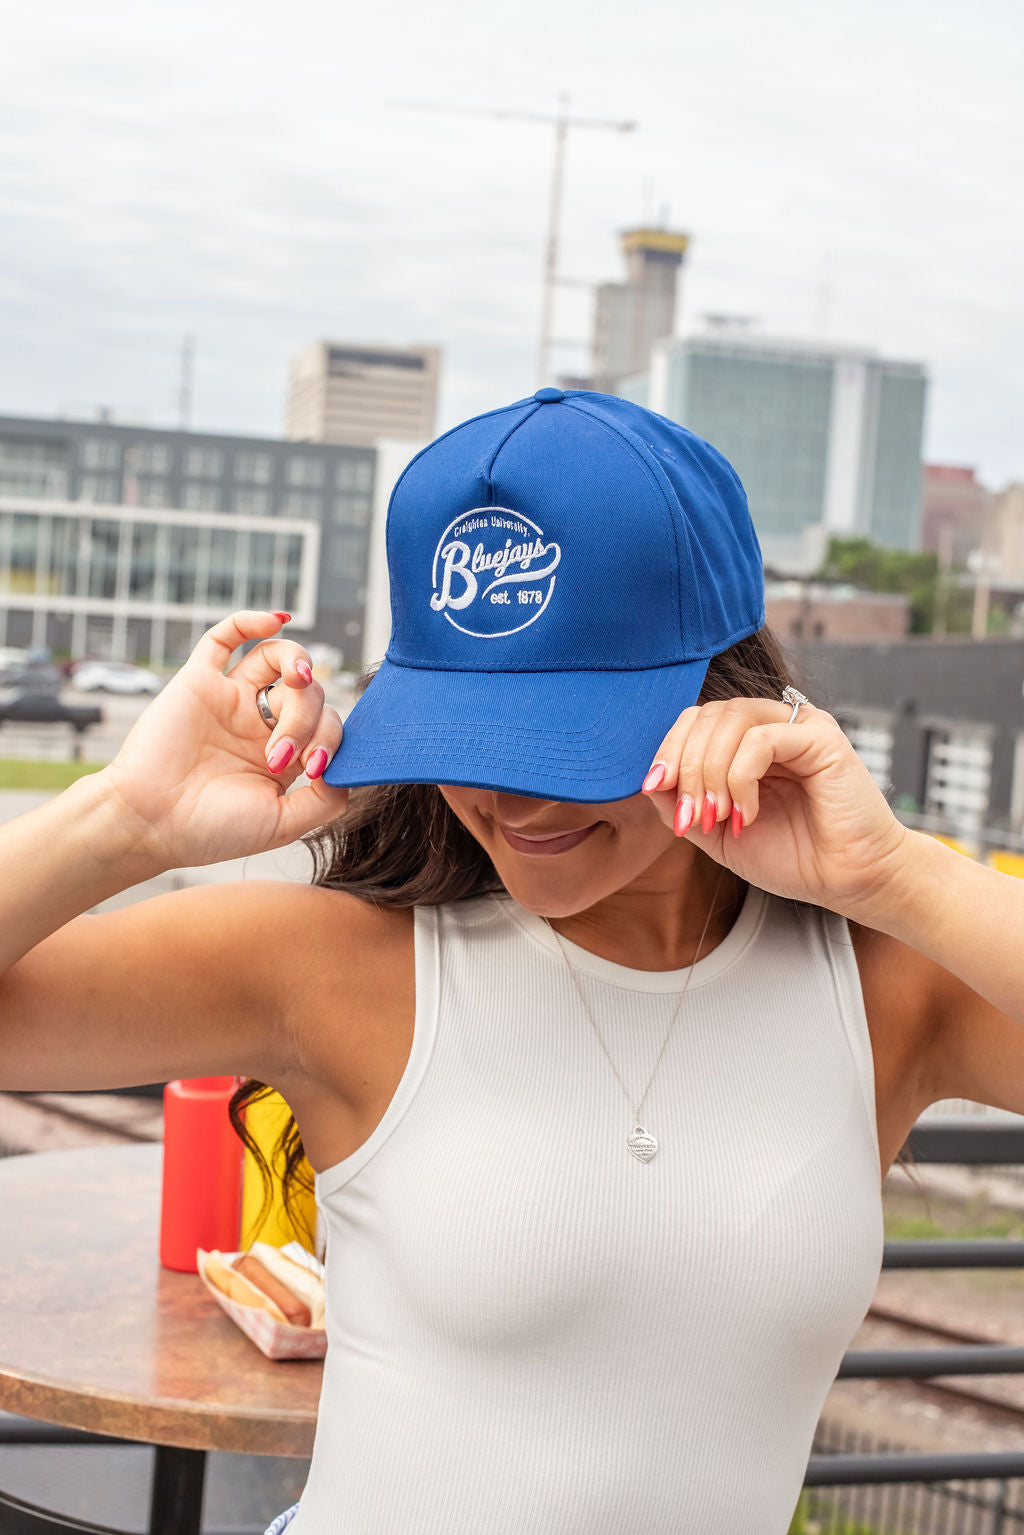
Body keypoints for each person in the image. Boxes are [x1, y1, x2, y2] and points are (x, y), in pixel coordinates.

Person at [2, 388, 1023, 1535]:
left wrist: (894, 873)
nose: (514, 799)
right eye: (471, 733)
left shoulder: (881, 981)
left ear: (724, 693)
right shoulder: (340, 965)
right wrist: (126, 819)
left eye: (574, 739)